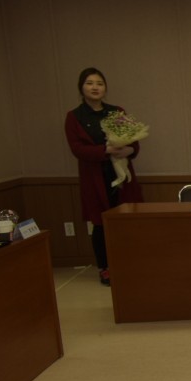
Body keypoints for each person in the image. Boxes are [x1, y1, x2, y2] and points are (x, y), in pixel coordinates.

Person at [64, 67, 143, 286]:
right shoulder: (75, 117)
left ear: (105, 87)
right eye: (90, 83)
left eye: (99, 83)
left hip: (122, 173)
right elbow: (77, 149)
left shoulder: (116, 111)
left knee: (126, 220)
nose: (95, 87)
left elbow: (133, 142)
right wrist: (105, 151)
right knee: (100, 224)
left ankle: (129, 262)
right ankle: (105, 267)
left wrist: (129, 150)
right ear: (81, 87)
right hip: (95, 177)